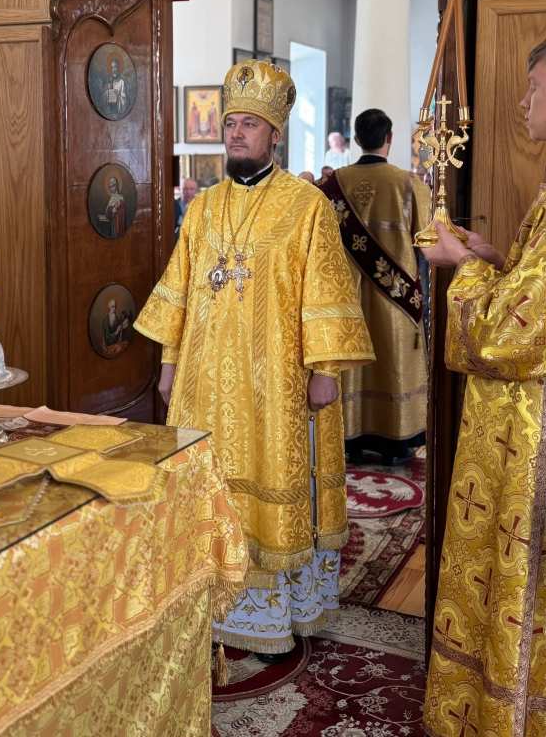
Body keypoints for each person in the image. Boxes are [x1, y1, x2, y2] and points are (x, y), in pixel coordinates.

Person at [135, 59, 374, 658]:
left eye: (249, 124)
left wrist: (325, 371)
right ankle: (207, 602)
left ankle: (273, 617)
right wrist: (168, 365)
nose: (236, 133)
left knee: (273, 486)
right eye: (231, 122)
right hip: (203, 381)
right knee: (205, 483)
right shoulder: (204, 207)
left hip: (276, 382)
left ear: (274, 134)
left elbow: (326, 289)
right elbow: (180, 291)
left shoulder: (306, 205)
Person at [423, 25, 546, 736]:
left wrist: (462, 267)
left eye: (534, 88)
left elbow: (507, 336)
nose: (524, 103)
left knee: (531, 585)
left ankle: (519, 716)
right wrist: (502, 260)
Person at [319, 108, 430, 465]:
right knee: (393, 362)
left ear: (355, 139)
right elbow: (428, 240)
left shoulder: (333, 185)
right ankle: (397, 437)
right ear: (390, 138)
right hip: (395, 302)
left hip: (346, 299)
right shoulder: (408, 184)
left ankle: (349, 436)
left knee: (352, 363)